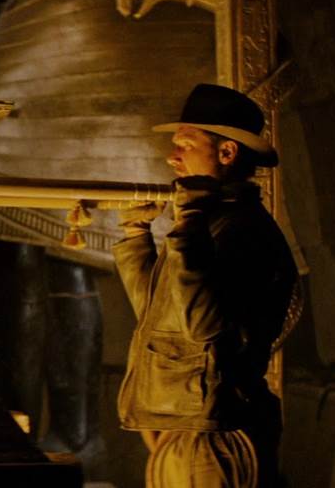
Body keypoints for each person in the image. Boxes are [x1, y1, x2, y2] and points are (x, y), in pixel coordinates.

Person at [114, 83, 298, 488]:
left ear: (227, 152)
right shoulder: (211, 224)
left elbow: (202, 325)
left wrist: (188, 227)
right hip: (189, 425)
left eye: (186, 144)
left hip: (216, 434)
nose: (172, 156)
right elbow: (159, 316)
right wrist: (135, 237)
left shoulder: (242, 230)